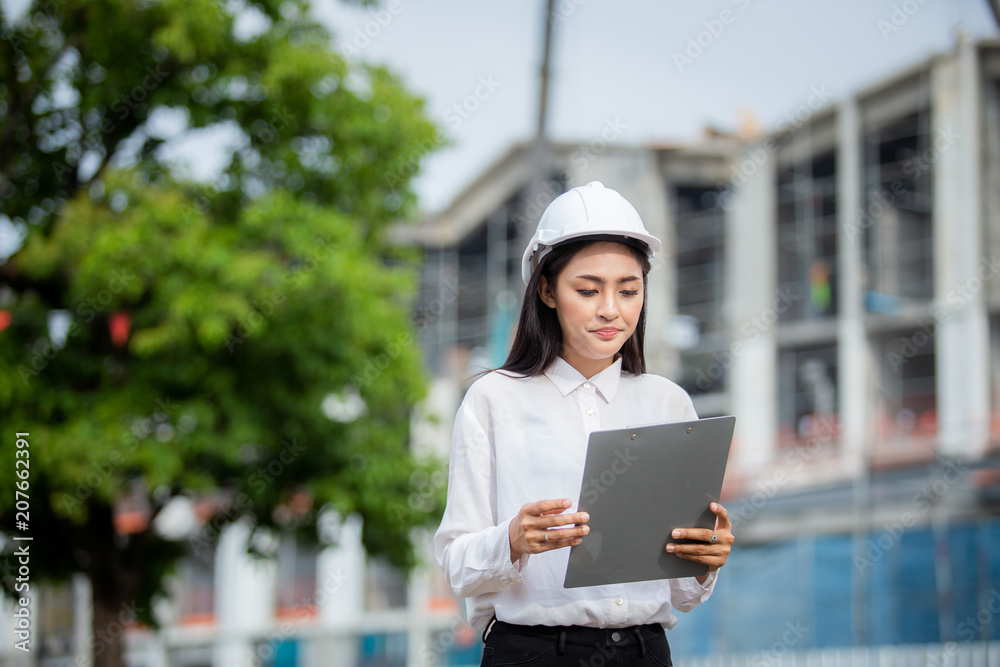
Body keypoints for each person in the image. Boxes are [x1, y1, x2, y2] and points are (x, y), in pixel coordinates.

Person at [433, 181, 735, 666]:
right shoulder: (494, 400)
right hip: (531, 652)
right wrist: (511, 540)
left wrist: (704, 559)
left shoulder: (669, 404)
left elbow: (683, 592)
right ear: (548, 290)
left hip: (644, 651)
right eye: (588, 290)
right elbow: (456, 567)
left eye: (628, 290)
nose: (610, 310)